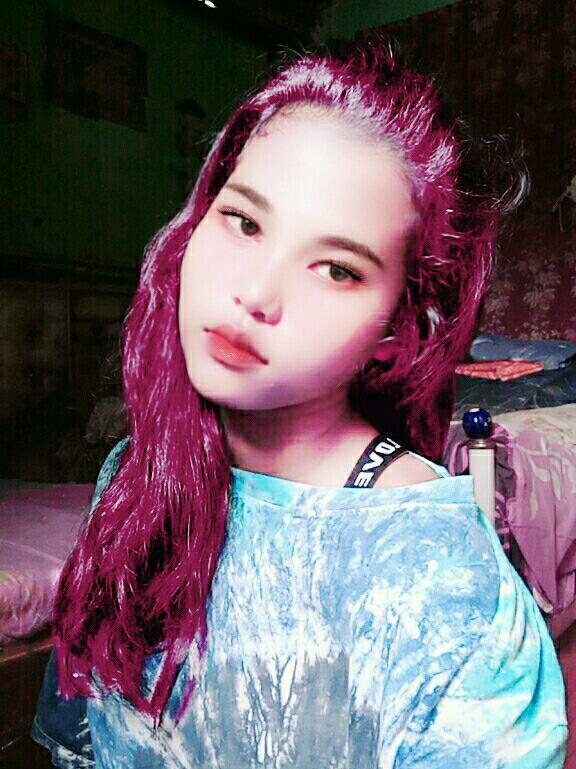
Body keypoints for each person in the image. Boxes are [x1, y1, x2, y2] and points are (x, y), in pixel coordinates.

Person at [32, 35, 567, 768]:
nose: (255, 292)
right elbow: (80, 740)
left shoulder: (438, 576)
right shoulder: (135, 475)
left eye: (336, 269)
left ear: (393, 331)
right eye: (244, 222)